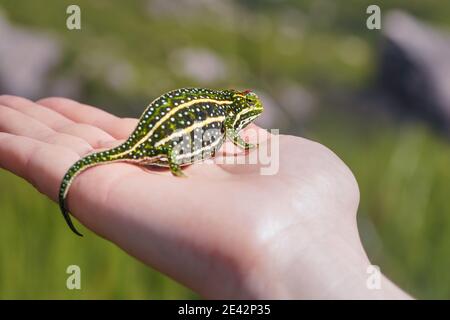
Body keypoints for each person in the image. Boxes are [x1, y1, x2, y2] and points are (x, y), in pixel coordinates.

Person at [0, 95, 410, 299]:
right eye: (249, 115)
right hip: (159, 146)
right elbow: (229, 134)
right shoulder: (228, 119)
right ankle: (168, 158)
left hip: (155, 138)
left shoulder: (223, 111)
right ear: (240, 114)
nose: (253, 120)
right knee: (168, 148)